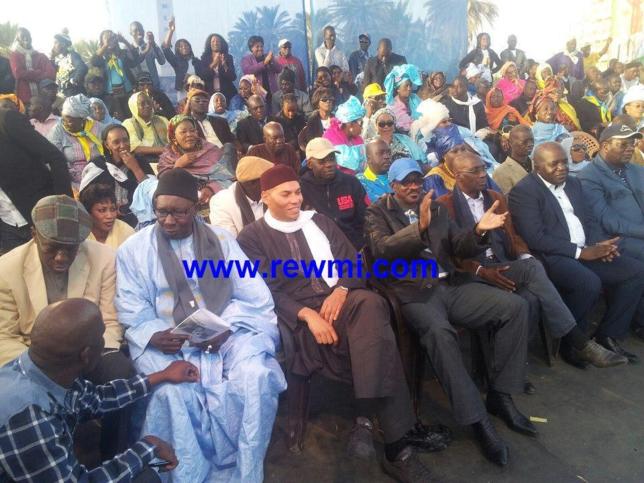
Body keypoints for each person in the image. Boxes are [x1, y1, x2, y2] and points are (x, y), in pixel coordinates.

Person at [237, 165, 441, 482]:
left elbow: (353, 263)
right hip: (301, 319)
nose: (295, 199)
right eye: (285, 194)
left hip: (341, 302)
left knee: (371, 304)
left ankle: (365, 420)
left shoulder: (319, 221)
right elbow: (264, 289)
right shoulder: (252, 237)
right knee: (376, 340)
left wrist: (342, 290)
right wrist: (308, 315)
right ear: (265, 197)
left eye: (298, 192)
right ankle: (394, 445)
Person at [116, 168, 287, 481]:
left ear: (194, 209)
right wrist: (154, 335)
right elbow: (131, 307)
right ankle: (187, 473)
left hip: (226, 329)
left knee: (256, 378)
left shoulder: (220, 240)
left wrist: (226, 327)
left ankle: (245, 471)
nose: (168, 220)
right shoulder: (134, 250)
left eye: (178, 212)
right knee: (174, 393)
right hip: (168, 339)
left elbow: (253, 295)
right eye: (161, 212)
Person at [364, 157, 532, 466]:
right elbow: (382, 251)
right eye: (406, 182)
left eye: (417, 180)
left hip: (450, 286)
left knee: (515, 307)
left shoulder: (437, 207)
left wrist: (479, 231)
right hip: (414, 294)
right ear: (393, 186)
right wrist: (419, 228)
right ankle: (478, 420)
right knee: (440, 334)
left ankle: (501, 394)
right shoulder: (377, 212)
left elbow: (459, 244)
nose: (414, 186)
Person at [438, 151, 626, 368]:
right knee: (528, 294)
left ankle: (512, 365)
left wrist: (523, 254)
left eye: (483, 168)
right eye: (475, 171)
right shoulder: (445, 205)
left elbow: (514, 236)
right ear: (457, 175)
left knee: (531, 292)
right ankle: (577, 341)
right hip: (474, 272)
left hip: (503, 263)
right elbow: (451, 254)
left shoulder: (495, 198)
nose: (483, 174)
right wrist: (481, 270)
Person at [0, 298, 202, 482]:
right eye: (101, 336)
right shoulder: (29, 418)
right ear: (86, 355)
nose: (105, 342)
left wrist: (162, 375)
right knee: (145, 478)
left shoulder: (42, 370)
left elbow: (96, 399)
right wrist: (147, 447)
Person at [509, 142, 644, 363]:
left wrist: (600, 246)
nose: (562, 167)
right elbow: (536, 238)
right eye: (554, 164)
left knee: (635, 271)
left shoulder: (573, 183)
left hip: (586, 249)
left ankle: (608, 334)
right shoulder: (524, 192)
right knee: (588, 282)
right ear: (537, 166)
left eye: (564, 162)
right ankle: (572, 343)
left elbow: (589, 219)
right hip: (553, 256)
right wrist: (581, 253)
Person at [0, 108, 71, 253]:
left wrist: (63, 207)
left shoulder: (6, 120)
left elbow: (55, 157)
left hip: (43, 217)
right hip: (7, 226)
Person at [577, 123, 644, 262]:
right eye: (623, 144)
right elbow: (608, 220)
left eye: (632, 144)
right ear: (606, 146)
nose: (630, 148)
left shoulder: (637, 170)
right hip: (620, 239)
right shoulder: (589, 177)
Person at [80, 123, 154, 227]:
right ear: (107, 145)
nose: (123, 145)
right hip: (104, 219)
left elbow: (152, 191)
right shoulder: (98, 165)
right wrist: (110, 208)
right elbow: (86, 198)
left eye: (125, 140)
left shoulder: (139, 161)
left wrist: (135, 167)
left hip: (137, 217)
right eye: (116, 142)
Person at [300, 138, 368, 249]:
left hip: (354, 247)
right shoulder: (301, 189)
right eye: (322, 161)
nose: (329, 164)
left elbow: (365, 217)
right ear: (310, 164)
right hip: (319, 249)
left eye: (332, 158)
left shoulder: (351, 182)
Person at [158, 115, 233, 205]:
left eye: (192, 131)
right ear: (173, 136)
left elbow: (227, 177)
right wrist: (178, 165)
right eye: (183, 132)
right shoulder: (168, 157)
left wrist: (211, 188)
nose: (189, 134)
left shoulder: (210, 150)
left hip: (217, 196)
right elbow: (165, 184)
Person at [423, 124, 501, 198]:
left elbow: (496, 195)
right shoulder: (434, 179)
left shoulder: (476, 169)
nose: (461, 154)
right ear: (444, 156)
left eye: (463, 149)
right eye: (455, 151)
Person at [48, 94, 105, 191]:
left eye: (69, 121)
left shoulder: (99, 128)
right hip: (73, 181)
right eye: (63, 118)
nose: (64, 123)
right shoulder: (58, 130)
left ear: (82, 119)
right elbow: (53, 157)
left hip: (100, 175)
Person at [210, 155, 273, 236]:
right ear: (252, 183)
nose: (273, 183)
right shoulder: (221, 202)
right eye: (268, 180)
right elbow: (228, 240)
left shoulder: (274, 194)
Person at [90, 30, 142, 119]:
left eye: (111, 37)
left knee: (131, 117)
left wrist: (124, 41)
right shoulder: (102, 56)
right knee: (116, 119)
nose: (110, 39)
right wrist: (105, 45)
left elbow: (135, 60)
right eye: (106, 38)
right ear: (102, 41)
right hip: (111, 95)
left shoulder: (123, 53)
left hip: (128, 92)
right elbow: (94, 61)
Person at [79, 183, 135, 248]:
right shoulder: (79, 235)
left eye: (113, 209)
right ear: (88, 213)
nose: (109, 216)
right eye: (102, 210)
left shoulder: (127, 233)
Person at [9, 28, 55, 105]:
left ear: (31, 38)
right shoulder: (15, 55)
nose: (26, 38)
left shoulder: (41, 56)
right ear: (18, 40)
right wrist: (39, 72)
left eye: (28, 36)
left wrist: (28, 74)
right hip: (23, 99)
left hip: (41, 99)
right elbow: (18, 73)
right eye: (22, 36)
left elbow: (51, 74)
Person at [161, 17, 204, 98]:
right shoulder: (176, 61)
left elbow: (204, 76)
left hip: (198, 94)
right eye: (180, 46)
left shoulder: (197, 62)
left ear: (190, 47)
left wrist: (192, 77)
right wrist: (171, 30)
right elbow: (165, 48)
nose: (184, 47)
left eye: (186, 45)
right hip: (183, 94)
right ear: (177, 50)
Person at [323, 96, 366, 174]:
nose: (362, 126)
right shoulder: (332, 138)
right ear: (350, 124)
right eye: (361, 122)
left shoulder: (356, 137)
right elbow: (352, 165)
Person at [122, 91, 169, 164]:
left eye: (149, 102)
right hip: (142, 163)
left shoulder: (162, 120)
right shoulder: (128, 124)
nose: (147, 106)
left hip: (167, 159)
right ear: (134, 106)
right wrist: (164, 149)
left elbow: (172, 140)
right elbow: (136, 149)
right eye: (142, 104)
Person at [493, 125, 534, 194]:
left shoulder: (538, 164)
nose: (530, 144)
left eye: (532, 140)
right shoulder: (501, 173)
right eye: (524, 141)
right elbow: (506, 201)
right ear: (510, 143)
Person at [384, 64, 422, 134]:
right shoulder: (392, 106)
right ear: (398, 89)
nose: (409, 88)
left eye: (410, 85)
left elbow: (425, 111)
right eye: (406, 86)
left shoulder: (414, 98)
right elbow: (407, 127)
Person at [199, 33, 237, 102]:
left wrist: (224, 65)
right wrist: (214, 63)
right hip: (210, 94)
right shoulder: (204, 58)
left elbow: (233, 77)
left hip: (227, 94)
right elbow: (202, 76)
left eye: (218, 41)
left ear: (221, 44)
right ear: (209, 44)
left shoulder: (228, 57)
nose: (215, 43)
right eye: (213, 41)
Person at [129, 21, 166, 91]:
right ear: (130, 33)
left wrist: (153, 43)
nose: (139, 32)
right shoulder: (127, 49)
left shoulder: (152, 45)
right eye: (135, 30)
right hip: (137, 88)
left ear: (143, 31)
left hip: (154, 86)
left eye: (140, 30)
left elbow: (162, 61)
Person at [51, 31, 87, 97]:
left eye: (56, 42)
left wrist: (74, 80)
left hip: (74, 94)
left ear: (63, 44)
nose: (54, 46)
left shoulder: (72, 55)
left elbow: (82, 67)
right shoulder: (56, 60)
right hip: (60, 95)